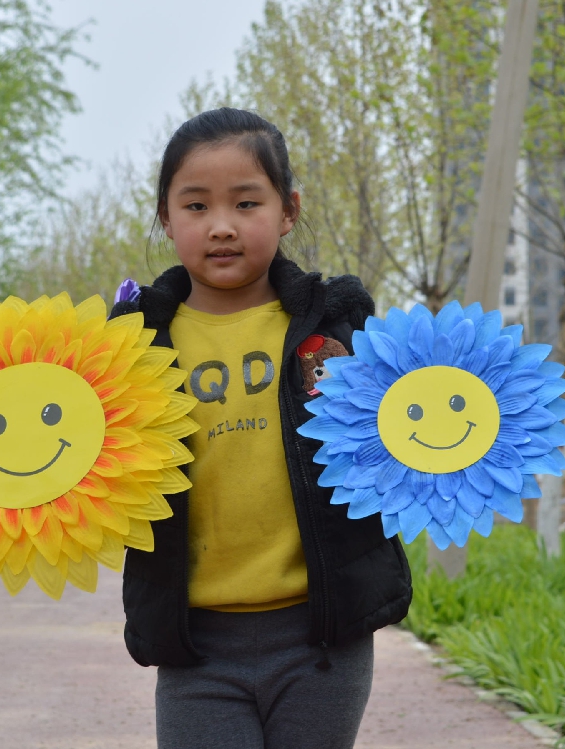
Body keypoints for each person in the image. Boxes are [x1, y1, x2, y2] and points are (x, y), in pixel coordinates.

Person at [109, 107, 412, 749]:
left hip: (324, 638)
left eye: (247, 203)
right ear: (165, 216)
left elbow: (405, 435)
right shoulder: (129, 349)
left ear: (289, 210)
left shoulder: (338, 331)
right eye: (195, 207)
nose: (222, 227)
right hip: (196, 647)